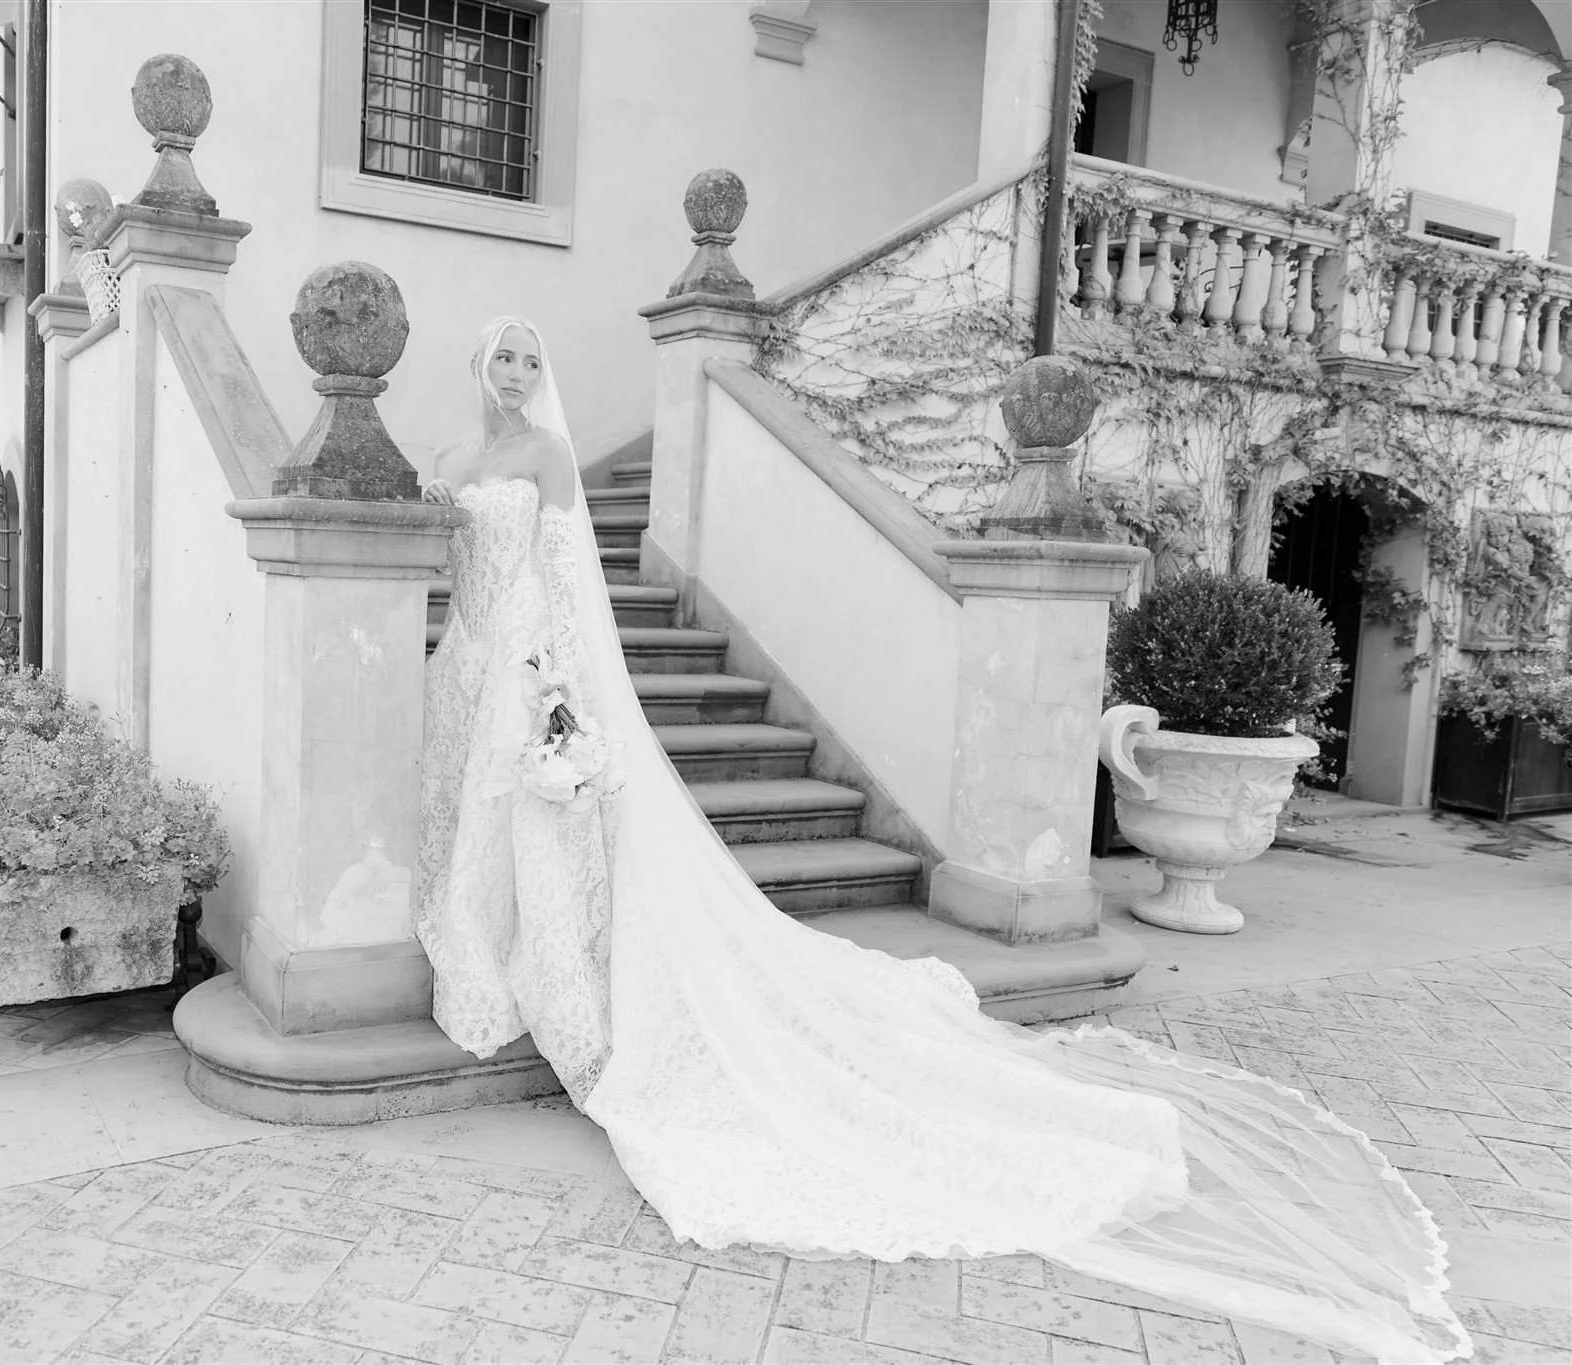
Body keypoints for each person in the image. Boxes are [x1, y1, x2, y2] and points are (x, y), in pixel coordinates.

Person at [414, 317, 1467, 1365]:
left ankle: (552, 977)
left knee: (537, 831)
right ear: (475, 364)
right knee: (474, 826)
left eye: (529, 358)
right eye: (501, 356)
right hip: (468, 659)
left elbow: (566, 583)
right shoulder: (454, 456)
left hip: (528, 668)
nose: (515, 372)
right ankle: (478, 947)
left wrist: (556, 694)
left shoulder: (547, 454)